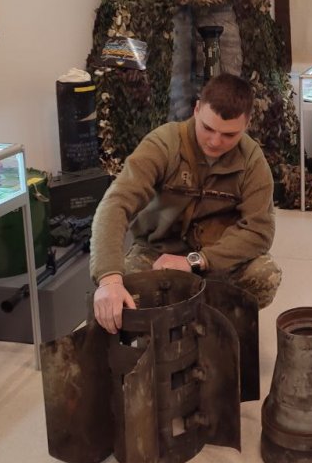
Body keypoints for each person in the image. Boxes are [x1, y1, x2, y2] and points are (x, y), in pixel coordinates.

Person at [90, 73, 281, 334]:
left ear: (247, 124)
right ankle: (162, 335)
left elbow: (259, 230)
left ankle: (215, 328)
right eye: (208, 128)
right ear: (197, 109)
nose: (215, 141)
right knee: (123, 295)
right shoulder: (163, 144)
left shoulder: (252, 160)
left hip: (216, 256)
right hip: (156, 252)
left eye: (229, 134)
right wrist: (109, 279)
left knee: (264, 275)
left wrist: (198, 260)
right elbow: (115, 205)